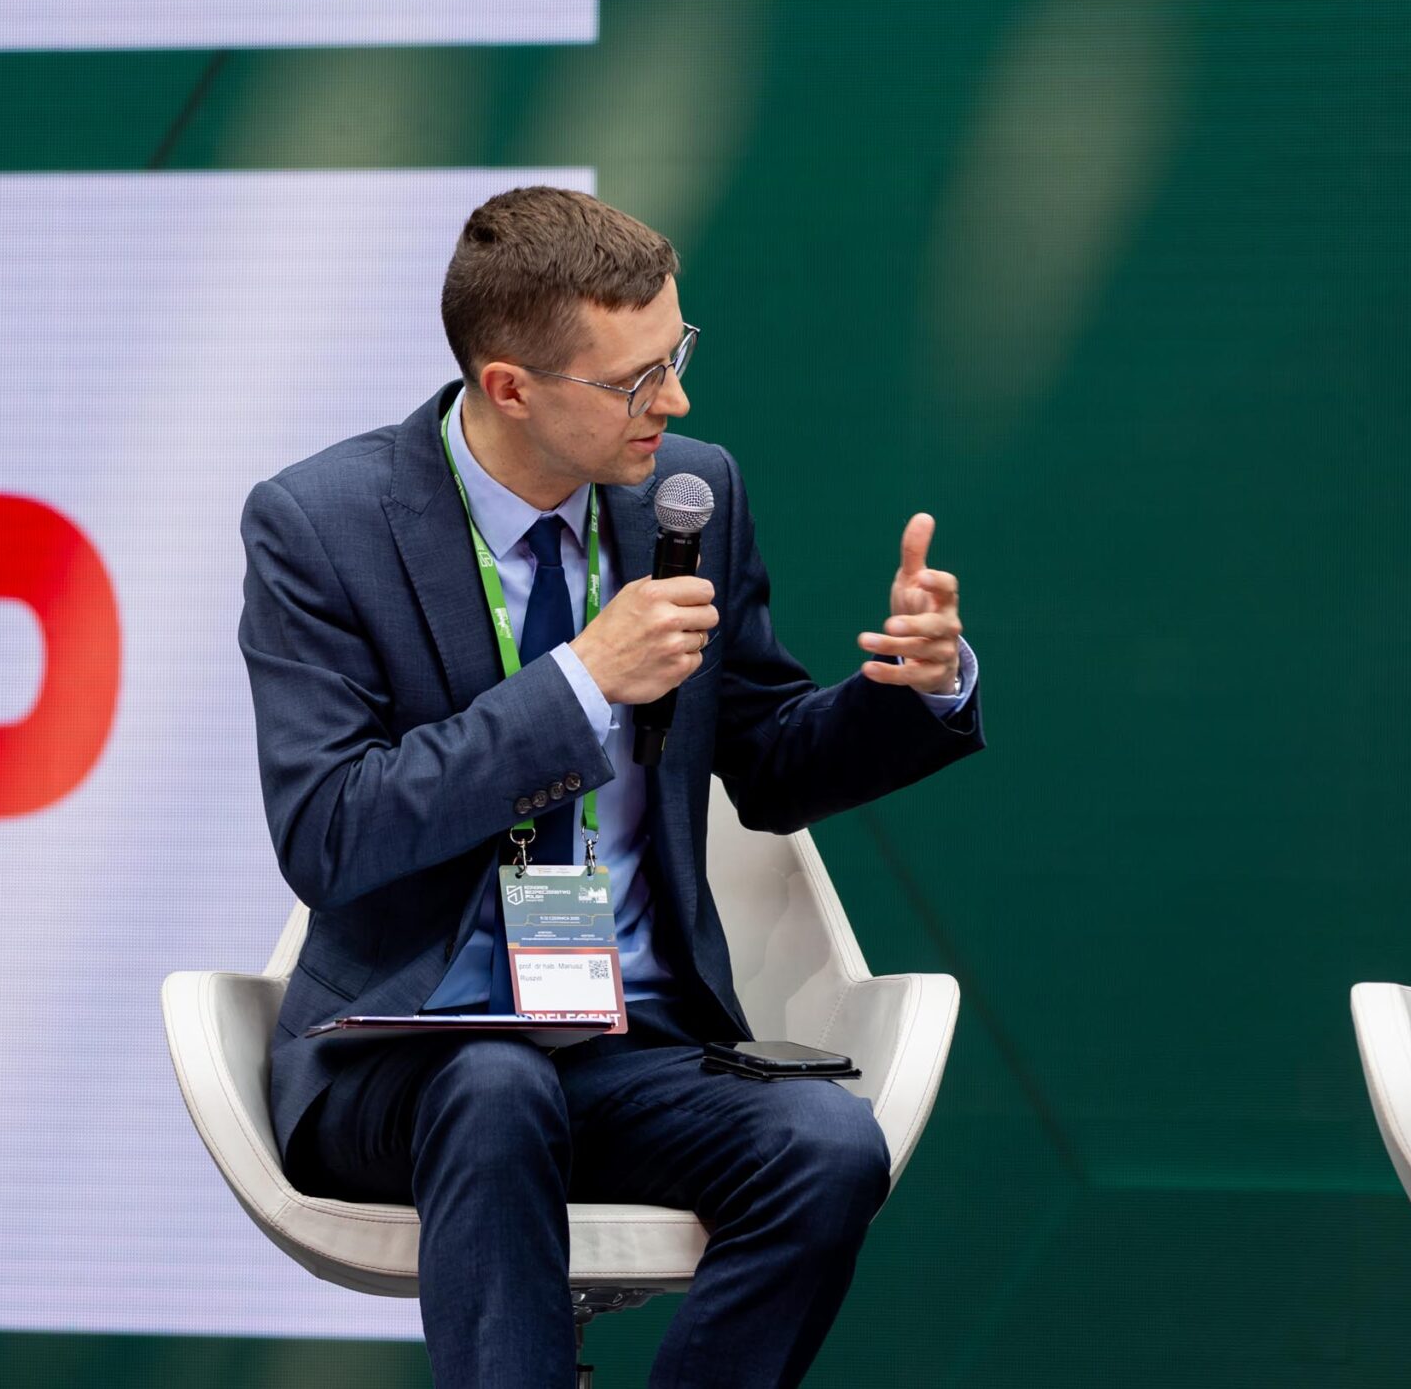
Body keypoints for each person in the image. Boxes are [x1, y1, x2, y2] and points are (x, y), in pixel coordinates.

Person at [238, 186, 984, 1388]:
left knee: (826, 1144)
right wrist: (583, 680)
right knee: (495, 1087)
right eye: (636, 381)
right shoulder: (321, 525)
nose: (673, 402)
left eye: (676, 356)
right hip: (405, 1053)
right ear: (510, 388)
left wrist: (913, 691)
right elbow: (331, 832)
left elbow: (770, 760)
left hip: (629, 1040)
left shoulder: (693, 492)